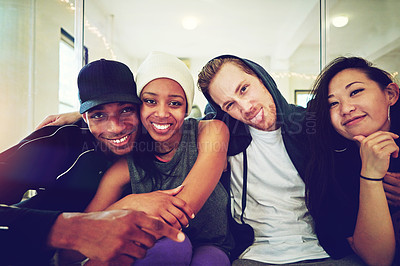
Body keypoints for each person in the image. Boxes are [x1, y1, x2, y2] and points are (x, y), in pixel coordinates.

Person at [0, 59, 187, 265]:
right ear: (85, 117)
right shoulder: (57, 144)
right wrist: (67, 228)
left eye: (126, 110)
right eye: (98, 114)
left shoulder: (151, 133)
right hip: (35, 253)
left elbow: (201, 124)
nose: (116, 127)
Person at [59, 51, 232, 265]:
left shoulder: (211, 132)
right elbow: (75, 245)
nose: (161, 113)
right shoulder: (125, 166)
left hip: (211, 244)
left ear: (187, 108)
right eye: (150, 101)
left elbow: (179, 211)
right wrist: (130, 203)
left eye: (175, 103)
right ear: (138, 106)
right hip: (161, 245)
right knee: (173, 247)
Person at [197, 55, 365, 265]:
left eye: (244, 89)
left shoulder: (312, 126)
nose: (246, 107)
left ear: (262, 78)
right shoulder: (224, 139)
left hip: (325, 250)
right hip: (253, 255)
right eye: (230, 104)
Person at [305, 56, 398, 266]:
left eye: (355, 92)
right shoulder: (329, 164)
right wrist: (370, 176)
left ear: (390, 94)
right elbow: (378, 259)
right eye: (333, 103)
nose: (345, 109)